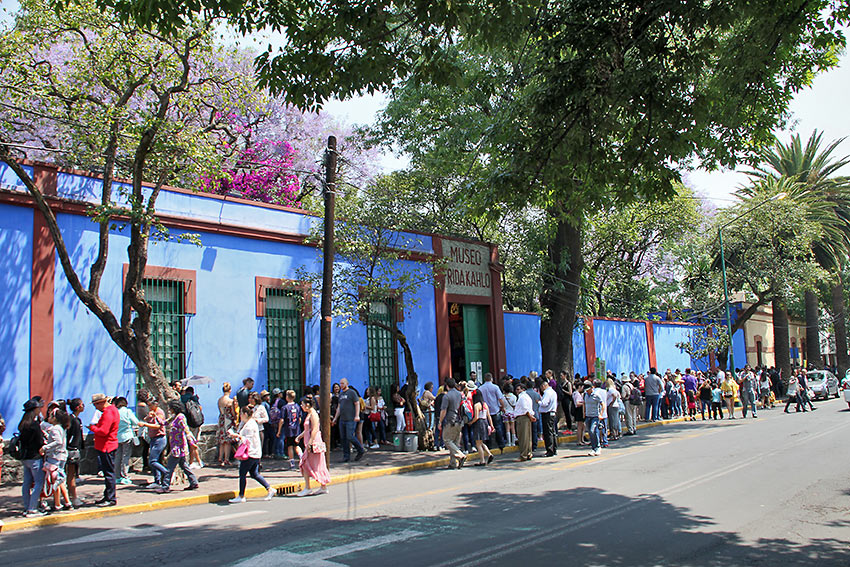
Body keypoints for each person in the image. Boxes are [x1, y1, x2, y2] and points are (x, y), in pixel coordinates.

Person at [226, 404, 274, 503]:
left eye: (241, 415)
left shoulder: (249, 425)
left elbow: (246, 440)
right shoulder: (251, 423)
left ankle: (241, 495)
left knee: (242, 474)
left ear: (244, 414)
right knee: (254, 474)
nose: (240, 417)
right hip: (255, 453)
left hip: (250, 453)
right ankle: (269, 489)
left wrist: (235, 435)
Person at [156, 400, 200, 493]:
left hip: (178, 447)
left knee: (170, 467)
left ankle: (165, 486)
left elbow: (186, 429)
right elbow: (164, 423)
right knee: (184, 466)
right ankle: (193, 482)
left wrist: (191, 441)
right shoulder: (174, 417)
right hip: (175, 446)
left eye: (170, 408)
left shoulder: (180, 417)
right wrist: (155, 417)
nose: (169, 410)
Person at [295, 396, 331, 496]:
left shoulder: (313, 414)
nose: (301, 406)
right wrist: (300, 436)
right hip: (309, 441)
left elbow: (315, 429)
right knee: (313, 464)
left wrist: (310, 442)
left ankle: (308, 487)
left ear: (307, 405)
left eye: (302, 404)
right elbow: (308, 429)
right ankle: (321, 486)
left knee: (306, 463)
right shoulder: (309, 414)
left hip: (313, 442)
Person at [87, 393, 119, 507]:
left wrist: (93, 428)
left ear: (101, 403)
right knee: (108, 473)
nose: (95, 407)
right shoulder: (112, 410)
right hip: (107, 445)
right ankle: (107, 495)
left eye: (96, 404)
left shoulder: (108, 413)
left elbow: (103, 431)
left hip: (107, 446)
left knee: (109, 473)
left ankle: (110, 498)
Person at [19, 398, 46, 517]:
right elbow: (40, 441)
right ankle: (32, 508)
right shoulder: (34, 425)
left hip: (25, 457)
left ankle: (26, 506)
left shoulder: (23, 424)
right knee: (38, 482)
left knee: (26, 483)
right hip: (35, 457)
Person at [42, 409, 72, 511]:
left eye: (50, 416)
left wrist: (45, 447)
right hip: (61, 456)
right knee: (60, 479)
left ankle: (58, 503)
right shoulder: (61, 428)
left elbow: (58, 441)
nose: (48, 418)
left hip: (55, 457)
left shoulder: (55, 429)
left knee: (54, 480)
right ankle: (66, 502)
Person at [332, 378, 365, 462]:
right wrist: (335, 418)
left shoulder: (352, 393)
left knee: (350, 436)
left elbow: (357, 404)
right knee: (343, 438)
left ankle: (360, 449)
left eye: (342, 383)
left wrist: (357, 415)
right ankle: (346, 456)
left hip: (351, 419)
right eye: (340, 384)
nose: (341, 385)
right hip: (342, 419)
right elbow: (339, 407)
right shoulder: (341, 395)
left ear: (346, 383)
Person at [438, 377, 466, 469]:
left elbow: (443, 410)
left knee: (447, 440)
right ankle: (453, 463)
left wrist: (440, 421)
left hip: (450, 420)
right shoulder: (459, 394)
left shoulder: (447, 396)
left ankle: (460, 455)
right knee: (454, 442)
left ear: (446, 386)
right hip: (459, 420)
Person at [114, 397, 142, 485]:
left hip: (117, 437)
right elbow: (135, 422)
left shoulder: (115, 412)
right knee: (125, 456)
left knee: (118, 456)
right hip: (127, 436)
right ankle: (124, 475)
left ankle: (117, 476)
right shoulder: (127, 411)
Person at [144, 397, 168, 490]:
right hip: (153, 438)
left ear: (155, 404)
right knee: (154, 460)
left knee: (152, 461)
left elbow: (158, 426)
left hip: (159, 438)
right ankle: (157, 480)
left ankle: (166, 473)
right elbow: (146, 419)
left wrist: (145, 425)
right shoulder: (152, 412)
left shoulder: (159, 413)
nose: (149, 407)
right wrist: (149, 417)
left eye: (150, 405)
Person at [478, 372, 506, 453]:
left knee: (487, 428)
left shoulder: (481, 388)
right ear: (492, 379)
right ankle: (501, 444)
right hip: (495, 409)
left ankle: (489, 445)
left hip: (486, 411)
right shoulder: (495, 387)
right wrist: (502, 407)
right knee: (498, 427)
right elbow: (500, 398)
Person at [277, 389, 304, 469]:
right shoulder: (297, 406)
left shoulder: (285, 408)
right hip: (296, 429)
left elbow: (282, 420)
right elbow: (299, 418)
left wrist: (279, 431)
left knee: (290, 446)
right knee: (296, 445)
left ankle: (292, 463)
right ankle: (301, 457)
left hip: (288, 429)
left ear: (287, 397)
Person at [66, 398, 85, 507]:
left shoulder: (77, 420)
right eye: (82, 405)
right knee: (71, 474)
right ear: (78, 407)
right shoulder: (72, 420)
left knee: (72, 474)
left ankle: (71, 495)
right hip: (71, 450)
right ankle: (73, 497)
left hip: (75, 449)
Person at [469, 388, 495, 466]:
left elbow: (476, 417)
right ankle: (489, 454)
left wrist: (471, 422)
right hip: (485, 422)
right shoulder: (484, 404)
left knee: (478, 443)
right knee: (481, 441)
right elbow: (489, 416)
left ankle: (482, 460)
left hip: (479, 423)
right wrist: (491, 425)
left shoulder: (477, 405)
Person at [514, 382, 536, 462]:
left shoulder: (522, 397)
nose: (517, 391)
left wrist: (530, 416)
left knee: (523, 437)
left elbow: (525, 408)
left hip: (523, 417)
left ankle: (523, 455)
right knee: (528, 437)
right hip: (527, 417)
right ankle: (528, 453)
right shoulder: (527, 396)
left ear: (523, 389)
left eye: (518, 389)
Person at [584, 381, 605, 457]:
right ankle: (593, 448)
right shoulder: (585, 395)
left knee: (593, 430)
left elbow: (602, 404)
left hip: (595, 416)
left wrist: (601, 414)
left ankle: (598, 447)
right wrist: (584, 413)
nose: (587, 391)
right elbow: (584, 404)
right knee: (590, 432)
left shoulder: (596, 395)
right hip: (588, 416)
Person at [538, 377, 558, 456]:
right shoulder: (553, 392)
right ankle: (554, 448)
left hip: (547, 413)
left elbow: (544, 403)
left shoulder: (547, 393)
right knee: (552, 432)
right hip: (552, 413)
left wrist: (539, 402)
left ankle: (550, 450)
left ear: (543, 386)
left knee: (547, 432)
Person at [218, 382, 236, 466]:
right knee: (228, 440)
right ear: (230, 390)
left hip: (221, 419)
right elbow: (232, 412)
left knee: (222, 440)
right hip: (228, 419)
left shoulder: (220, 400)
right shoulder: (230, 401)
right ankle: (226, 459)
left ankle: (220, 457)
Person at [503, 382, 517, 446]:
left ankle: (508, 442)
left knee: (507, 428)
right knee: (513, 427)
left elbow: (501, 406)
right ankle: (513, 442)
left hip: (505, 413)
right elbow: (514, 406)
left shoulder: (503, 397)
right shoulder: (514, 397)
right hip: (512, 413)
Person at [572, 381, 587, 446]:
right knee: (580, 426)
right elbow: (577, 404)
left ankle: (582, 439)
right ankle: (579, 440)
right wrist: (583, 403)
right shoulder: (577, 394)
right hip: (579, 411)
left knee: (582, 425)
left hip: (579, 410)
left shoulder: (575, 393)